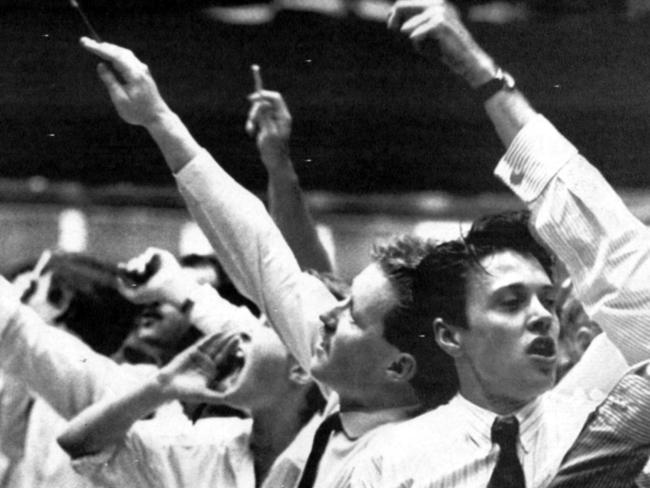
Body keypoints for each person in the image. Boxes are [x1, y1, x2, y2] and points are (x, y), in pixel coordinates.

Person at [78, 36, 458, 488]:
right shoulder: (356, 390)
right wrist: (158, 117)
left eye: (352, 315)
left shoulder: (413, 465)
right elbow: (259, 248)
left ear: (398, 367)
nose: (327, 315)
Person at [346, 1, 650, 486]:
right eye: (510, 300)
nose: (542, 316)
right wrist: (482, 74)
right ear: (449, 335)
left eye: (548, 300)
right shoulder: (386, 463)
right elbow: (594, 229)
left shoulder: (603, 428)